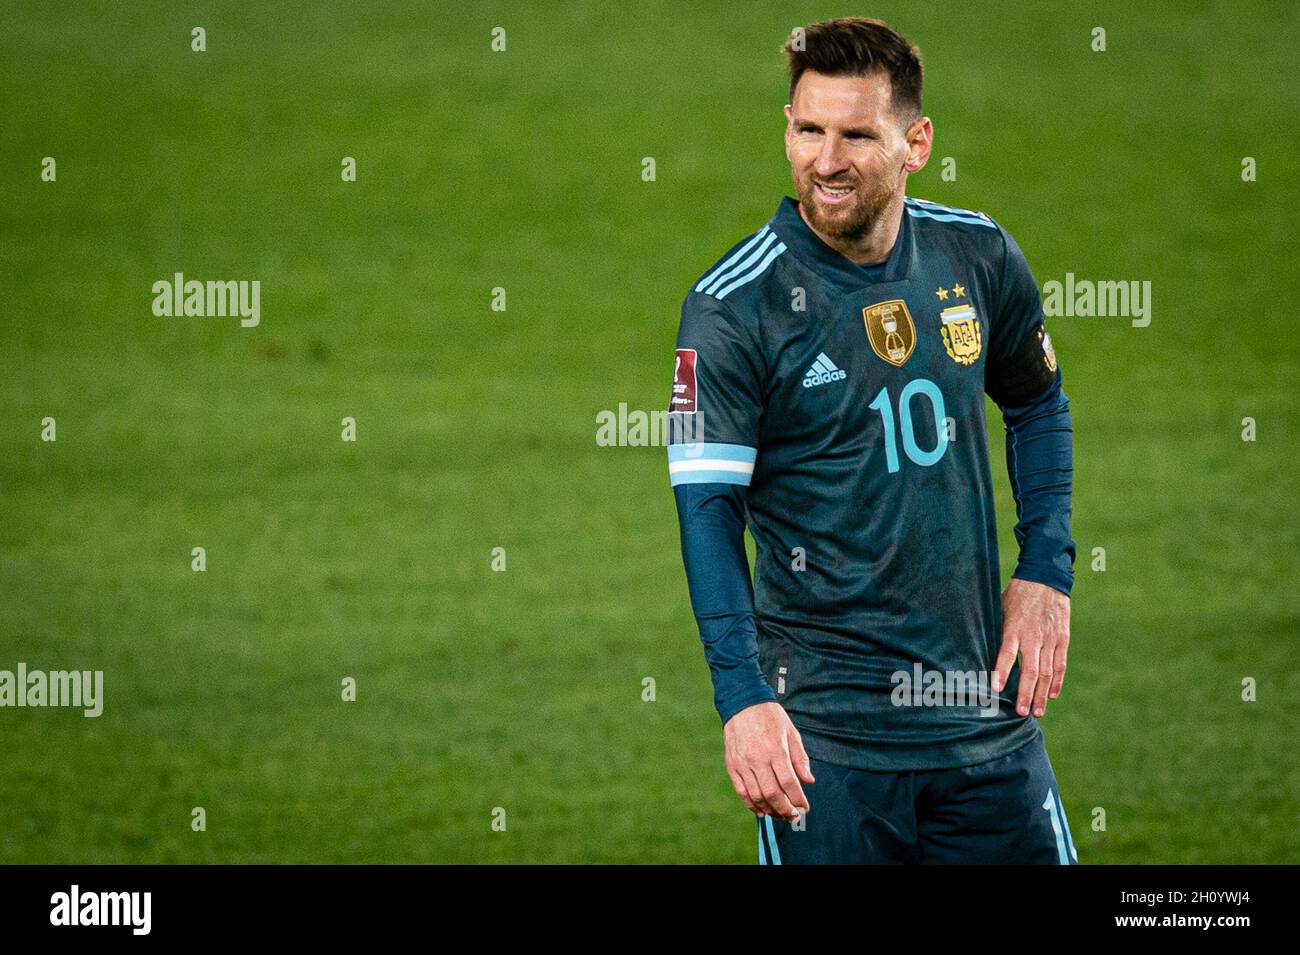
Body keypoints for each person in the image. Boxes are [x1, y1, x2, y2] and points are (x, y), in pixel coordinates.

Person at [666, 17, 1078, 864]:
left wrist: (1045, 569)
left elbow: (1038, 406)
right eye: (807, 129)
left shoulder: (978, 254)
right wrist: (741, 697)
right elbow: (708, 509)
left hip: (983, 720)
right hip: (827, 748)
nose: (826, 159)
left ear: (916, 141)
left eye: (857, 134)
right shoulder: (730, 309)